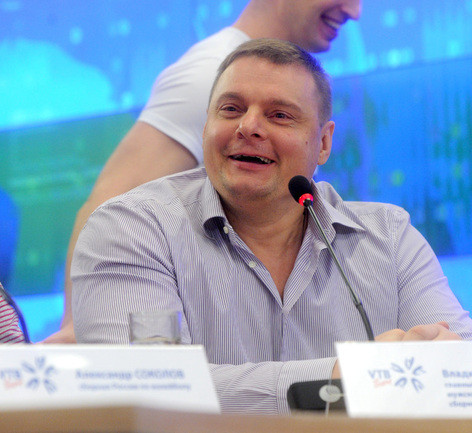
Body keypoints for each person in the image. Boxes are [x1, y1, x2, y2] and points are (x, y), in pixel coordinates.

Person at [72, 39, 472, 414]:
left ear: (323, 143)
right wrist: (339, 378)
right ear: (206, 127)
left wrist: (451, 366)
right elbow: (147, 388)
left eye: (280, 115)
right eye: (231, 109)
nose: (248, 126)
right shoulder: (131, 229)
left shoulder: (389, 237)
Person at [47, 0, 363, 344]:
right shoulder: (209, 72)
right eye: (232, 109)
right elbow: (110, 209)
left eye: (280, 116)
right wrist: (82, 328)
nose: (355, 11)